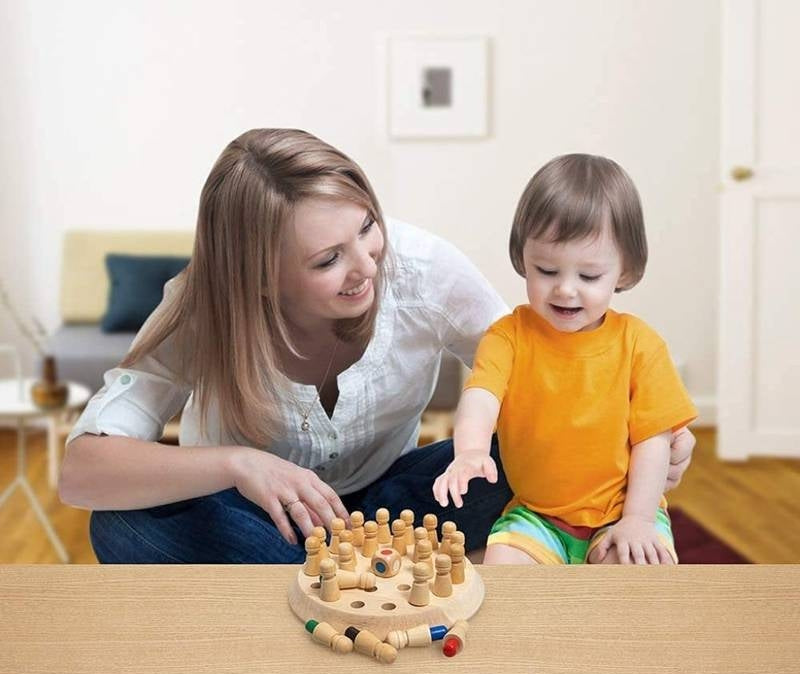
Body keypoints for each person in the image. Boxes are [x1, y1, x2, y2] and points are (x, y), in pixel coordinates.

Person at [59, 131, 695, 564]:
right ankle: (374, 579)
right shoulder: (203, 304)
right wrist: (237, 465)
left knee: (503, 460)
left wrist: (646, 433)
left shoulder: (423, 269)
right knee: (123, 524)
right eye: (328, 259)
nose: (366, 264)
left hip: (391, 501)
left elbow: (540, 370)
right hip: (259, 517)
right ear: (259, 275)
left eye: (367, 228)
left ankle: (324, 583)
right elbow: (82, 472)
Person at [433, 154, 697, 566]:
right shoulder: (509, 336)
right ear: (523, 258)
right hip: (536, 516)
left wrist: (639, 520)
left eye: (589, 276)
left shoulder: (640, 345)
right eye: (547, 270)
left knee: (640, 574)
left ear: (624, 272)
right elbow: (482, 395)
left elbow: (653, 441)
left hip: (621, 512)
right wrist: (470, 450)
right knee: (502, 572)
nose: (566, 290)